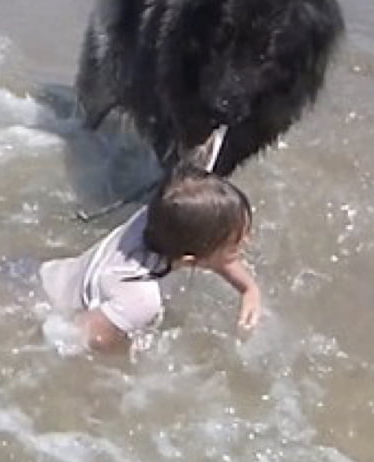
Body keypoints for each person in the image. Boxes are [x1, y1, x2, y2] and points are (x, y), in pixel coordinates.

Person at [37, 127, 261, 354]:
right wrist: (121, 351)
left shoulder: (156, 217)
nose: (247, 242)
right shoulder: (141, 299)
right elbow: (83, 336)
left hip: (40, 275)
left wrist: (248, 289)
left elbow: (212, 254)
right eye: (235, 246)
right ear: (190, 260)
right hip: (37, 304)